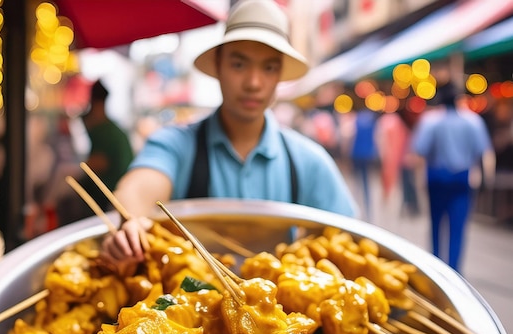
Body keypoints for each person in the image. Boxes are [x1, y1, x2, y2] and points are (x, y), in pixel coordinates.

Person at [102, 0, 358, 263]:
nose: (253, 83)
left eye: (268, 67)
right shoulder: (176, 144)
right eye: (239, 65)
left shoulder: (307, 161)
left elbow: (350, 241)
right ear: (218, 67)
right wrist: (131, 222)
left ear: (279, 75)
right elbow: (139, 189)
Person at [410, 82, 495, 272]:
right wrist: (485, 180)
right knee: (458, 229)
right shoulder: (472, 121)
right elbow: (485, 153)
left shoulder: (431, 121)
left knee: (435, 225)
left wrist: (419, 179)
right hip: (461, 179)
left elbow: (419, 153)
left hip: (436, 178)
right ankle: (454, 271)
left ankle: (437, 269)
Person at [57, 79, 133, 226]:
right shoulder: (109, 128)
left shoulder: (106, 131)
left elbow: (97, 164)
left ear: (95, 102)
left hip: (110, 197)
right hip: (112, 194)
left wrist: (74, 173)